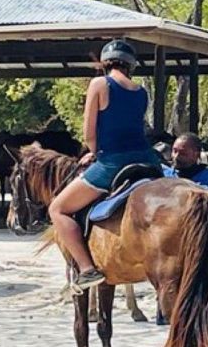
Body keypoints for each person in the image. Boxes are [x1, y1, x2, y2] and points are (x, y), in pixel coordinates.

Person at [48, 39, 161, 293]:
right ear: (131, 64)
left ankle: (87, 270)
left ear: (105, 63)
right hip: (146, 159)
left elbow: (89, 134)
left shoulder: (99, 84)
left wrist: (93, 153)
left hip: (113, 161)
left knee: (58, 209)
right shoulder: (141, 91)